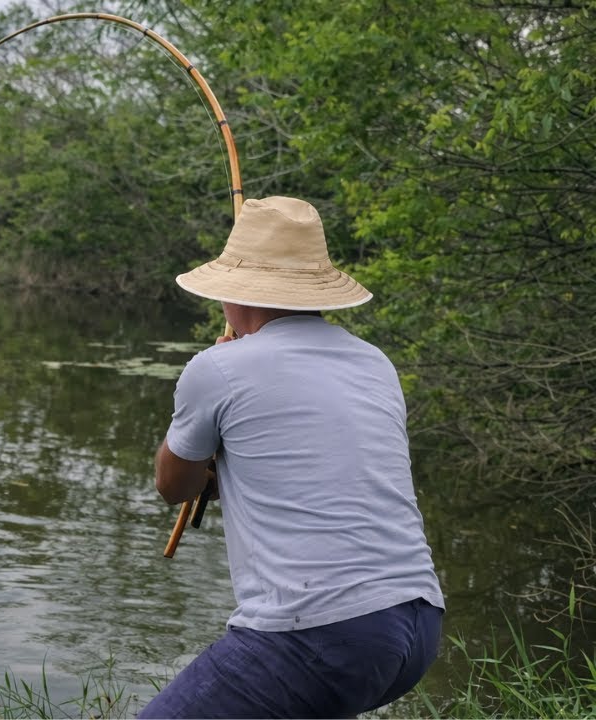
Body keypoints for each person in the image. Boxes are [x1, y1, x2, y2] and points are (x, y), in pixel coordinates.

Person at [139, 196, 445, 718]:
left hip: (321, 633)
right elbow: (311, 466)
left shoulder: (218, 368)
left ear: (235, 293)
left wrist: (209, 441)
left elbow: (174, 486)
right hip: (418, 626)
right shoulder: (375, 363)